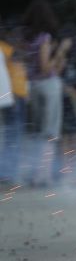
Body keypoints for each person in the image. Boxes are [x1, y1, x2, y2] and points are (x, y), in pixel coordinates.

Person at [23, 0, 72, 186]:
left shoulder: (27, 40)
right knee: (50, 133)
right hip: (48, 86)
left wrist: (58, 61)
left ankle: (37, 174)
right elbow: (46, 68)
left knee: (37, 132)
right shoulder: (44, 38)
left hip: (32, 87)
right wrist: (60, 51)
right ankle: (44, 177)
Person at [0, 31, 28, 186]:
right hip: (14, 95)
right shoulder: (3, 48)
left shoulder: (5, 48)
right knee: (14, 136)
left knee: (12, 135)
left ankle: (7, 173)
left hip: (14, 95)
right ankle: (8, 174)